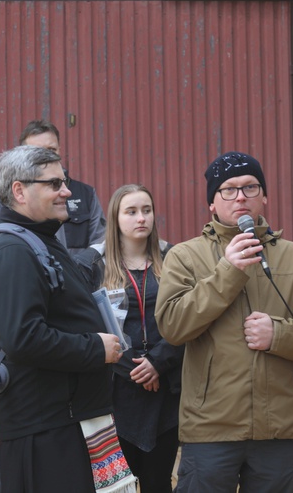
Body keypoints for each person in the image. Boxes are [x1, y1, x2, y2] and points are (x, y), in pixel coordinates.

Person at [155, 151, 293, 493]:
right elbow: (173, 326)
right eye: (228, 189)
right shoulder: (184, 256)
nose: (240, 196)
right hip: (211, 426)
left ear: (264, 196)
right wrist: (228, 271)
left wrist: (278, 334)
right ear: (212, 202)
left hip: (278, 425)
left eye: (250, 187)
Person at [0, 145, 127, 491]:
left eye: (65, 181)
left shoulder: (39, 240)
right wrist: (94, 348)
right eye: (54, 183)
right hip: (46, 433)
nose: (67, 191)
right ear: (19, 191)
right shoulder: (12, 252)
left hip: (67, 422)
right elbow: (22, 338)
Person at [78, 184, 183, 492]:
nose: (141, 218)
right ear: (115, 218)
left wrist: (158, 363)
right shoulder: (92, 265)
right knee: (116, 486)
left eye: (147, 210)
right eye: (132, 211)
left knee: (158, 481)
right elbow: (86, 328)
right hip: (115, 394)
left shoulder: (174, 258)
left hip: (164, 389)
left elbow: (191, 321)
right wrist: (137, 369)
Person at [0, 119, 106, 255]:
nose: (47, 156)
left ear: (60, 150)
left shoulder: (85, 194)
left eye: (51, 149)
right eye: (38, 151)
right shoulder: (8, 200)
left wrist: (75, 270)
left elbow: (100, 242)